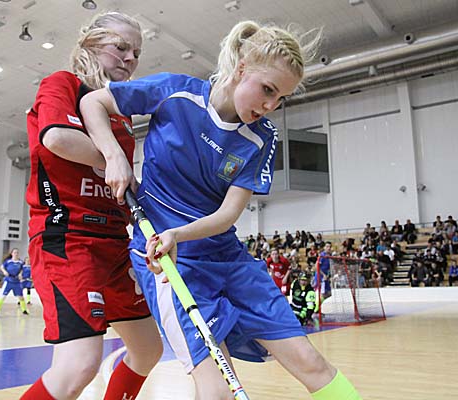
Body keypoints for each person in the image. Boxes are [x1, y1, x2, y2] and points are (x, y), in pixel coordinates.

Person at [81, 19, 361, 400]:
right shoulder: (176, 92)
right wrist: (114, 155)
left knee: (312, 363)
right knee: (216, 392)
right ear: (241, 68)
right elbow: (93, 102)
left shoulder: (261, 138)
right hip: (169, 263)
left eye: (280, 98)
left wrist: (179, 233)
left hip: (226, 257)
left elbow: (229, 215)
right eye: (267, 90)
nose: (270, 106)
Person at [20, 12, 162, 400]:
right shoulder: (62, 84)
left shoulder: (120, 110)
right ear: (91, 44)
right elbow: (57, 139)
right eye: (121, 47)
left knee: (148, 349)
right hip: (68, 239)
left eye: (136, 52)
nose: (131, 58)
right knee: (79, 365)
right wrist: (112, 157)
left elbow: (120, 182)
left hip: (114, 244)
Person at [0, 248, 28, 317]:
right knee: (3, 296)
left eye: (17, 252)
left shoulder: (20, 262)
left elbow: (22, 270)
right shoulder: (8, 261)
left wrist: (20, 274)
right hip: (8, 281)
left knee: (21, 297)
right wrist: (4, 271)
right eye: (14, 252)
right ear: (12, 254)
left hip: (17, 282)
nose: (16, 254)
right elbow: (2, 267)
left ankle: (24, 310)